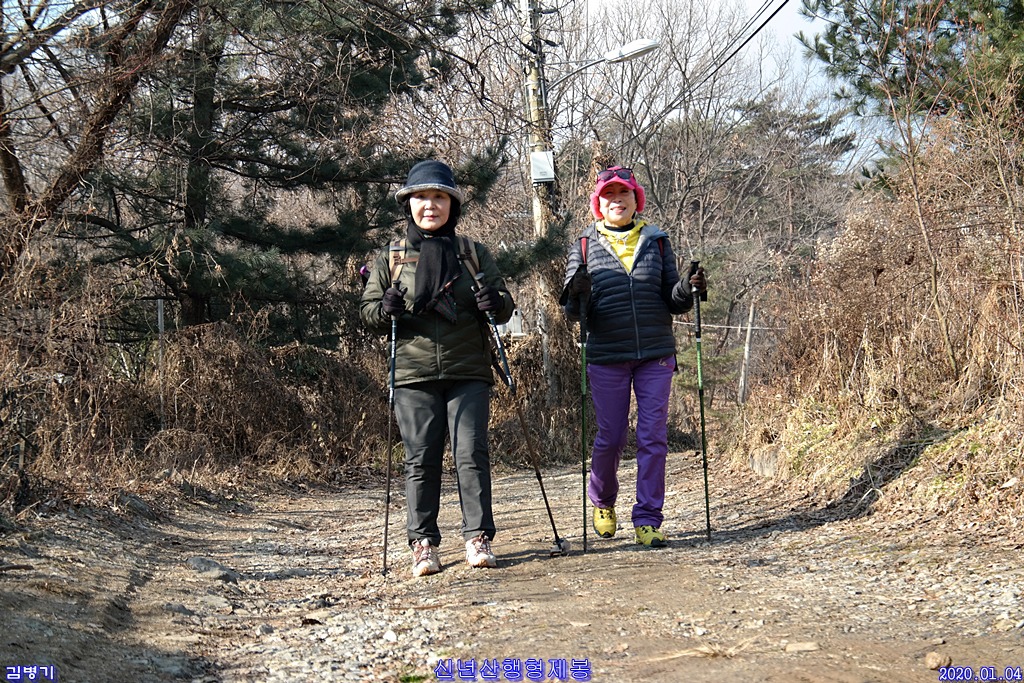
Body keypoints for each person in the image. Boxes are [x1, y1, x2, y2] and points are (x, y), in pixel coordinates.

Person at [360, 160, 514, 577]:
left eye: (439, 197)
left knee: (471, 454)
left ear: (452, 204)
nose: (430, 205)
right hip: (413, 373)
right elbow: (368, 313)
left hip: (468, 370)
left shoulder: (472, 253)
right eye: (421, 197)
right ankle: (423, 544)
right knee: (421, 459)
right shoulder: (392, 257)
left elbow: (504, 304)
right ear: (409, 204)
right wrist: (385, 309)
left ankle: (478, 537)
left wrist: (494, 302)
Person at [560, 165, 707, 548]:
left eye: (623, 193)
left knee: (653, 437)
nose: (616, 200)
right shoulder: (583, 246)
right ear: (598, 203)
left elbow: (672, 300)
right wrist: (577, 293)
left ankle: (648, 519)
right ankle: (602, 501)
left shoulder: (657, 242)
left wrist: (688, 287)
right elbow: (572, 313)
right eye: (608, 194)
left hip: (655, 353)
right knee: (611, 436)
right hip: (607, 354)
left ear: (635, 199)